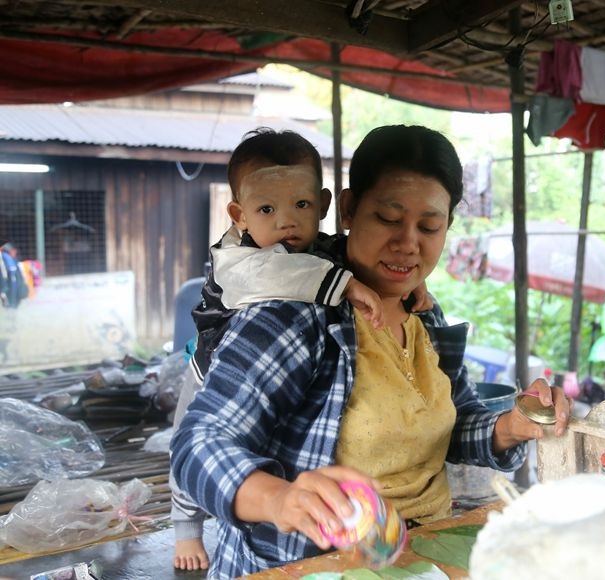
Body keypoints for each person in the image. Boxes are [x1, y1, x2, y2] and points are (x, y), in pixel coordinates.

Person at [170, 124, 571, 579]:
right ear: (346, 209)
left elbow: (452, 427)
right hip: (312, 565)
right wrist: (279, 499)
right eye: (387, 218)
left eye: (430, 226)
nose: (408, 243)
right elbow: (197, 446)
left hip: (423, 555)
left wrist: (512, 426)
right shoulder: (294, 312)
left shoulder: (424, 314)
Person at [170, 127, 430, 571]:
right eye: (267, 208)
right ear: (239, 215)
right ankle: (185, 529)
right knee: (190, 448)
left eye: (302, 205)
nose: (286, 221)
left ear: (324, 205)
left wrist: (406, 280)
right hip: (210, 368)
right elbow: (282, 276)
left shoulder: (318, 249)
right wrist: (346, 285)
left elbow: (342, 255)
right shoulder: (236, 258)